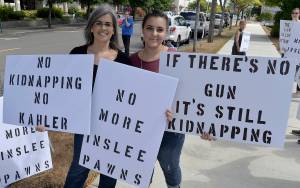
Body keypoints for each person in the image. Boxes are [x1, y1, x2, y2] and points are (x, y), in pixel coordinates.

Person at [36, 4, 130, 188]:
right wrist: (47, 117)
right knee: (79, 168)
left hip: (113, 126)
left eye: (108, 24)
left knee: (109, 171)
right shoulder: (77, 54)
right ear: (91, 27)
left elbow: (134, 97)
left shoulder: (124, 60)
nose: (103, 28)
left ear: (114, 29)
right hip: (84, 123)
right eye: (99, 23)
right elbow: (61, 91)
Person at [129, 10, 213, 188]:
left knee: (170, 167)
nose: (154, 34)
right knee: (142, 168)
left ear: (166, 32)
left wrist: (203, 126)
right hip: (140, 128)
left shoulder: (178, 58)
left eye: (160, 29)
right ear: (142, 30)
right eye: (149, 28)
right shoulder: (131, 62)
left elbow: (195, 96)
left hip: (171, 129)